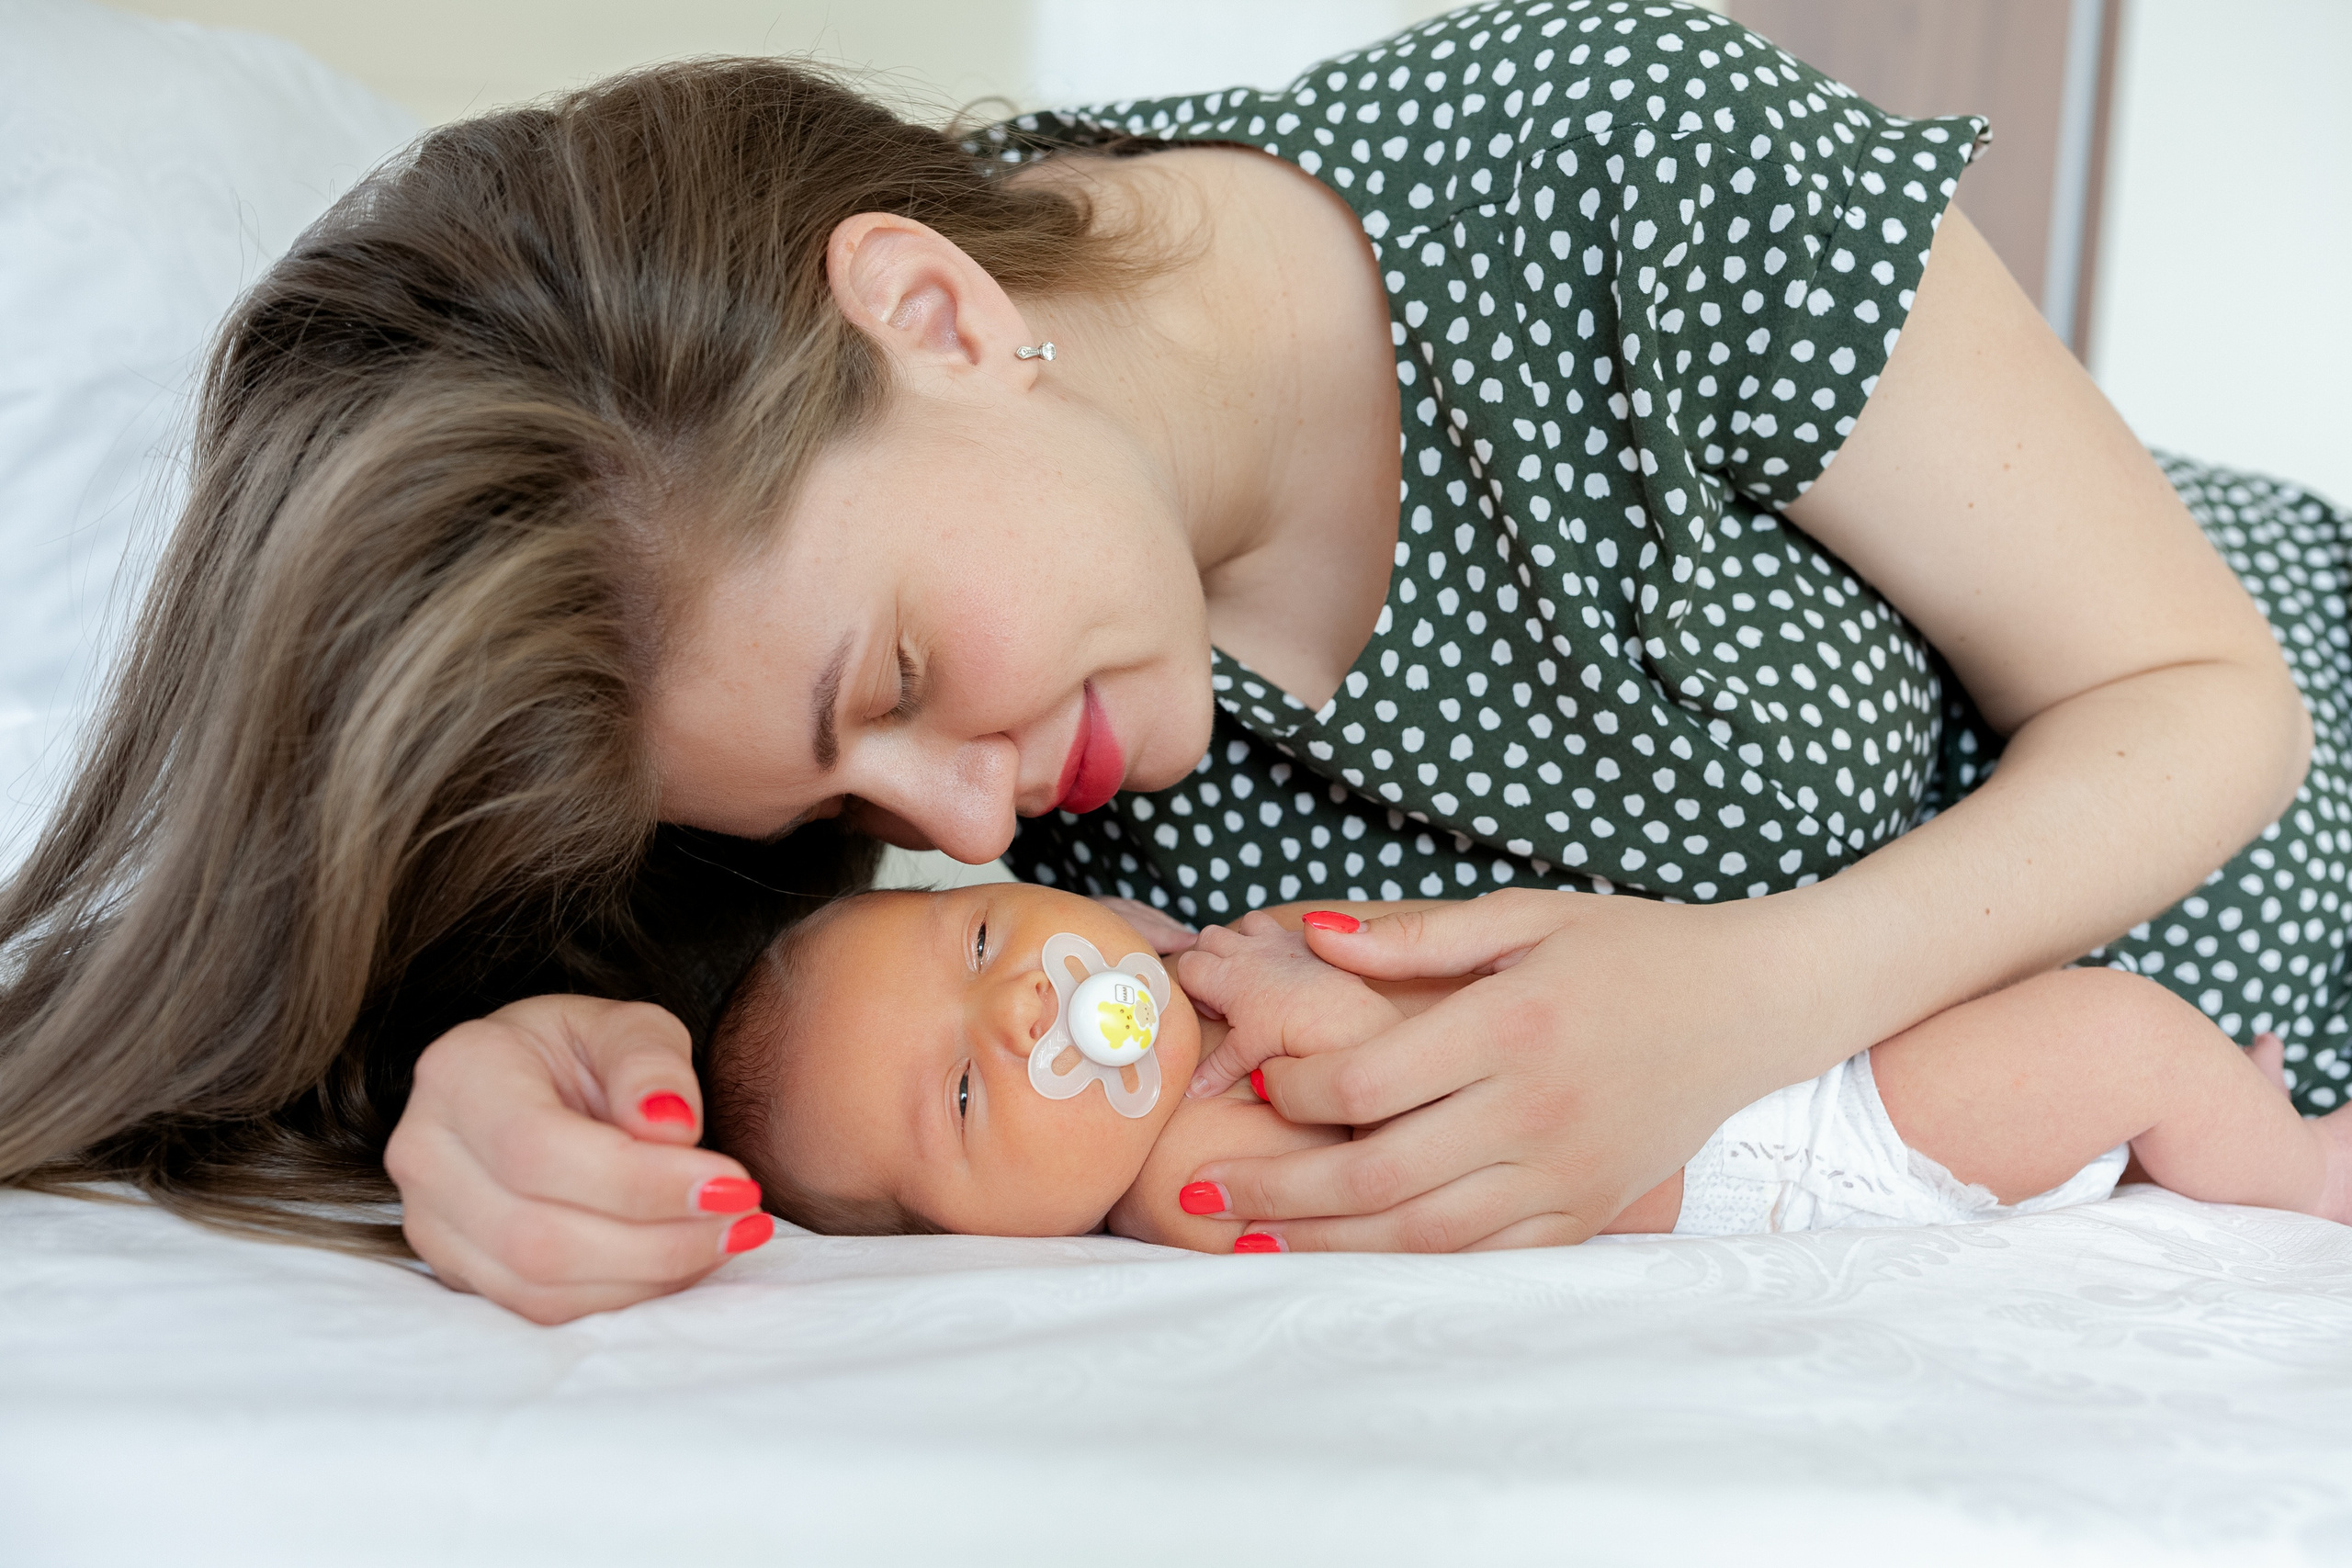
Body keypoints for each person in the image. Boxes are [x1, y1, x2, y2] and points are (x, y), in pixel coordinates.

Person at [1, 2, 2340, 1325]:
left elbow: (2194, 698)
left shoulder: (1614, 172)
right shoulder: (843, 679)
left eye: (897, 679)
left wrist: (1744, 996)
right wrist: (513, 1077)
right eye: (835, 807)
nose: (958, 820)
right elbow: (701, 1012)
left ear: (931, 307)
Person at [698, 884, 2352, 1251]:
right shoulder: (1185, 1195)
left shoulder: (1202, 1006)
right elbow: (1424, 1119)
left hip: (1769, 1057)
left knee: (2086, 1013)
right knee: (2119, 1037)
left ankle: (2218, 1128)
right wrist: (1313, 1009)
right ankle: (2290, 1168)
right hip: (1805, 1152)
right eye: (972, 1099)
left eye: (984, 943)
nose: (1020, 1015)